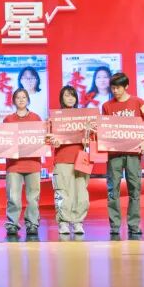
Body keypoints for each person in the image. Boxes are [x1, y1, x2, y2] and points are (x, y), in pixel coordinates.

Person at [102, 72, 144, 240]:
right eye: (113, 88)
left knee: (135, 188)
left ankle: (134, 224)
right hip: (114, 153)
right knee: (113, 189)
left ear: (126, 86)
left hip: (134, 153)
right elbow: (104, 127)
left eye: (118, 88)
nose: (115, 91)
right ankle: (114, 225)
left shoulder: (138, 102)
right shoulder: (107, 105)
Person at [47, 85, 91, 238]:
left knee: (81, 193)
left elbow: (91, 139)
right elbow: (48, 139)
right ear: (61, 98)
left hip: (81, 159)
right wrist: (53, 141)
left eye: (73, 95)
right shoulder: (55, 118)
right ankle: (64, 222)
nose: (70, 98)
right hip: (62, 159)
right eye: (67, 95)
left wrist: (88, 137)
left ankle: (78, 221)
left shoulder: (84, 117)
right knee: (62, 192)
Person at [3, 88, 43, 240]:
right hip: (14, 164)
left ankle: (32, 223)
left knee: (33, 197)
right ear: (14, 100)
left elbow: (42, 139)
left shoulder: (36, 118)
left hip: (33, 163)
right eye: (18, 97)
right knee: (13, 197)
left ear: (28, 99)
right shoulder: (8, 120)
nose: (21, 100)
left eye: (24, 97)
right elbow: (4, 141)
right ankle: (12, 223)